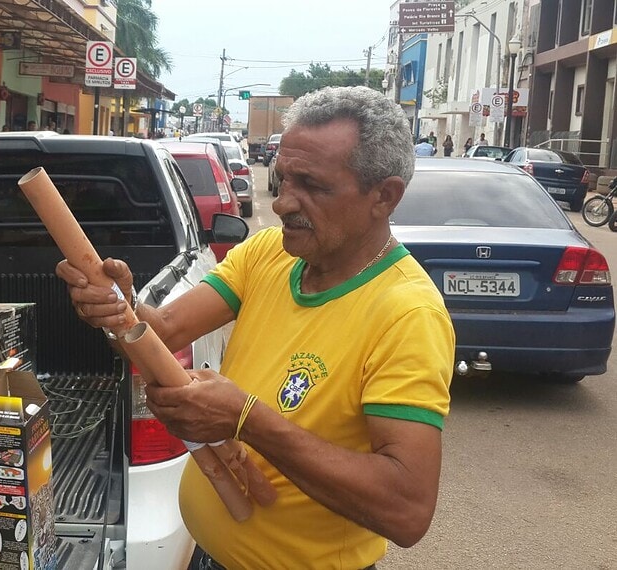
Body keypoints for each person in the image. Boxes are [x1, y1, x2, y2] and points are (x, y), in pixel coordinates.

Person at [57, 85, 454, 569]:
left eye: (312, 186)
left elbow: (408, 510)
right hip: (210, 554)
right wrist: (118, 310)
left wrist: (248, 419)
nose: (285, 202)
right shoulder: (269, 254)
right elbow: (161, 332)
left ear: (384, 196)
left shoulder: (407, 314)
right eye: (284, 179)